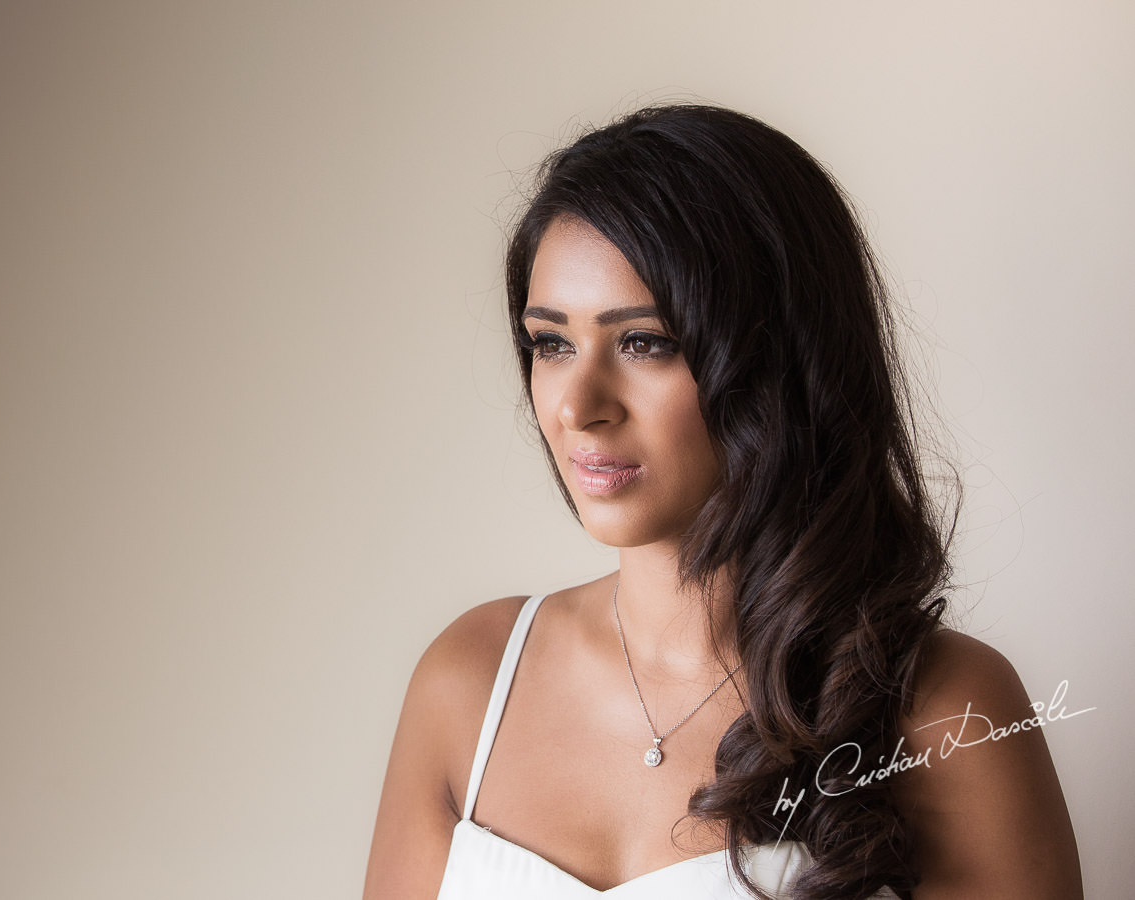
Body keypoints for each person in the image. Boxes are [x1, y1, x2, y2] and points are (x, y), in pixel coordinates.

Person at [363, 104, 1082, 899]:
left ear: (779, 360)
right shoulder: (467, 681)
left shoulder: (946, 711)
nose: (578, 405)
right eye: (551, 343)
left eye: (646, 342)